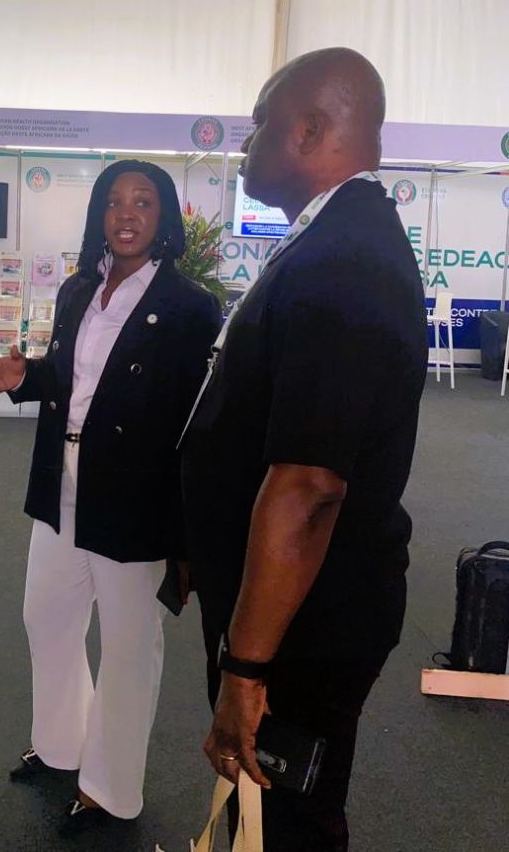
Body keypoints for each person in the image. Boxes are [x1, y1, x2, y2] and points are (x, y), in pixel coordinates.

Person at [181, 48, 428, 851]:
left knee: (285, 817)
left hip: (304, 618)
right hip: (289, 601)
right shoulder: (330, 240)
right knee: (265, 811)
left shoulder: (345, 261)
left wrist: (248, 669)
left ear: (312, 131)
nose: (247, 140)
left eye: (262, 123)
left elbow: (311, 486)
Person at [0, 160, 221, 837]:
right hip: (63, 476)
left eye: (143, 201)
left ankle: (110, 789)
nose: (126, 214)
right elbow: (68, 377)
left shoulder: (190, 306)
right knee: (46, 615)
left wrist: (186, 531)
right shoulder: (80, 288)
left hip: (134, 494)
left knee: (128, 645)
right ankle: (61, 745)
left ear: (163, 217)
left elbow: (197, 422)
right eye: (114, 202)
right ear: (99, 216)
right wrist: (24, 376)